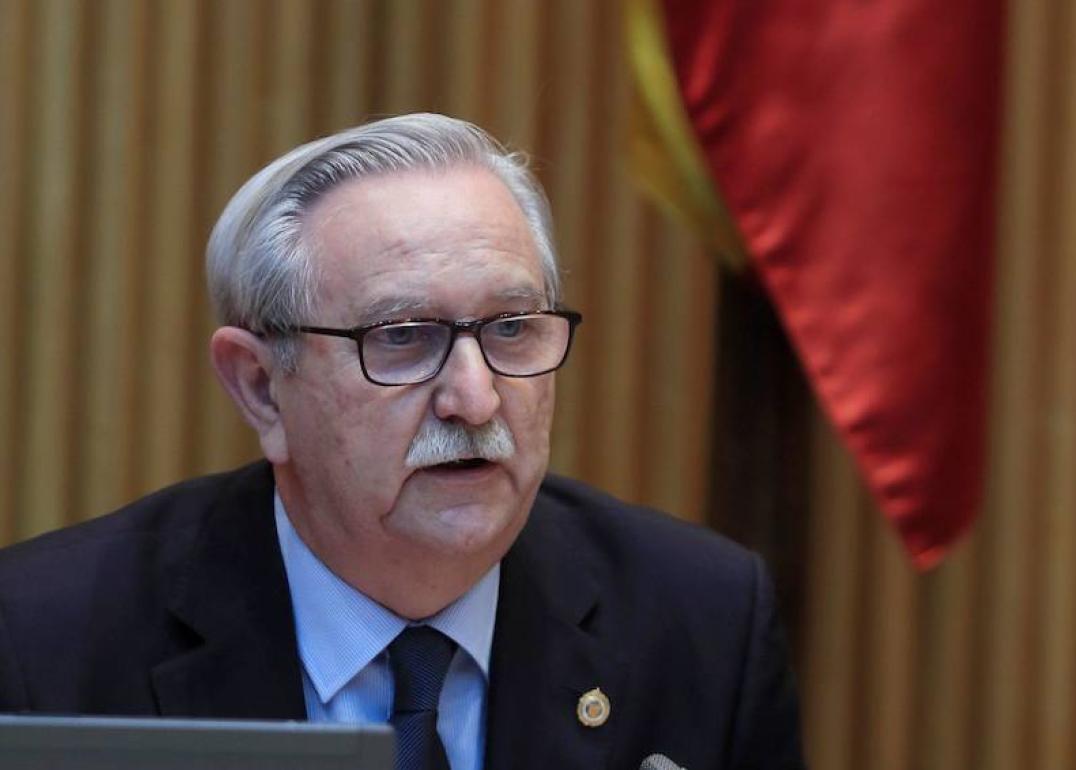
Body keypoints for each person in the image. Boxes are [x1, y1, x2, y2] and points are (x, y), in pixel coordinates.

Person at [0, 114, 805, 769]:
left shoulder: (703, 619)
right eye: (402, 337)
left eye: (512, 328)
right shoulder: (41, 644)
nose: (475, 398)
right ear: (260, 386)